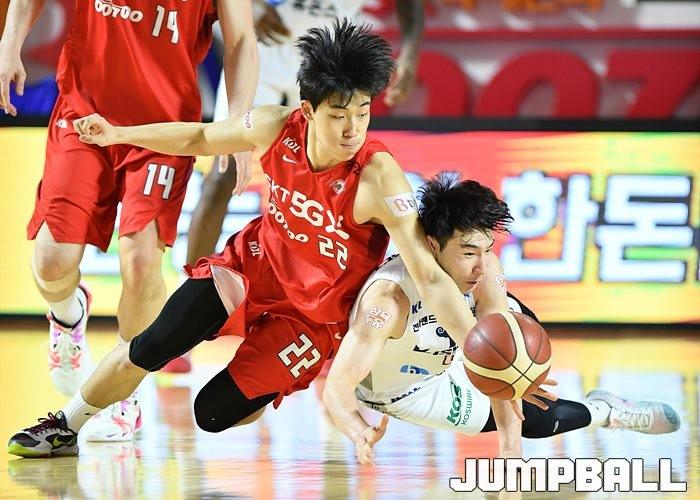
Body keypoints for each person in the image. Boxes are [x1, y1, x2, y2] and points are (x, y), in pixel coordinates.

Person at [8, 19, 549, 458]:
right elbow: (200, 136)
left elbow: (429, 278)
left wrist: (484, 352)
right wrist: (119, 133)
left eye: (363, 113)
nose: (352, 129)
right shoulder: (274, 126)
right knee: (152, 344)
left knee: (212, 414)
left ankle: (269, 379)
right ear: (308, 111)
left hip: (314, 319)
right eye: (339, 115)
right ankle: (66, 425)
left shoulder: (378, 177)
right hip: (253, 266)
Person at [0, 0, 258, 441]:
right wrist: (9, 44)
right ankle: (68, 316)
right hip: (83, 115)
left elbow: (241, 40)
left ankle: (124, 393)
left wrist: (237, 125)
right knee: (51, 262)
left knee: (141, 261)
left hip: (163, 130)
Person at [322, 175, 682, 466]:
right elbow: (337, 387)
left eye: (487, 250)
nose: (481, 266)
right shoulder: (388, 304)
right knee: (536, 418)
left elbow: (500, 350)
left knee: (526, 398)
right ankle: (604, 411)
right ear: (432, 246)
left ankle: (611, 409)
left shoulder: (484, 271)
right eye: (468, 253)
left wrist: (511, 454)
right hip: (406, 389)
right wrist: (358, 430)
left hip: (459, 346)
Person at [160, 0, 424, 375]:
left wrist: (410, 53)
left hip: (332, 74)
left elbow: (410, 6)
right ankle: (186, 309)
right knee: (222, 173)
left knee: (338, 196)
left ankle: (331, 333)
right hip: (264, 59)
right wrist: (250, 7)